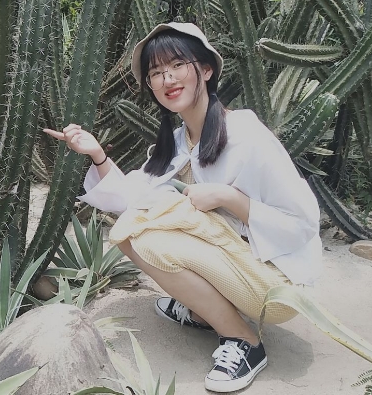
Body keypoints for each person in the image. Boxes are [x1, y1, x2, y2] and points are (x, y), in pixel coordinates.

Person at [44, 22, 322, 393]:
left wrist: (228, 197)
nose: (167, 79)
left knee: (148, 238)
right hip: (237, 266)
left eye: (177, 65)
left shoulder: (246, 136)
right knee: (133, 226)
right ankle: (203, 312)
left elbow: (303, 223)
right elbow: (130, 198)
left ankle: (245, 342)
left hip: (278, 286)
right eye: (156, 72)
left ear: (205, 70)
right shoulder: (178, 142)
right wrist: (97, 154)